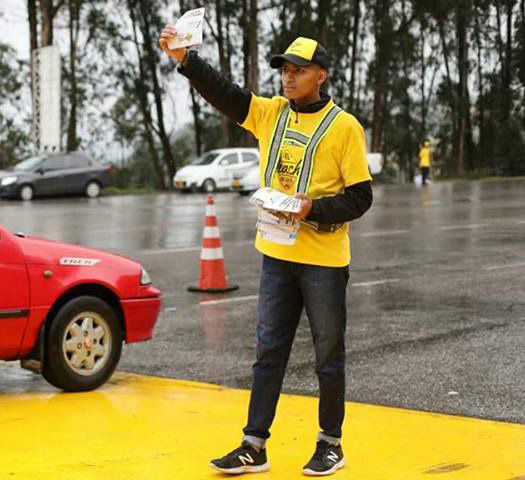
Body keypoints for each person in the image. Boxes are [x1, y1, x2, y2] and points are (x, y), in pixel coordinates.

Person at [160, 30, 373, 476]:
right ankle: (254, 444)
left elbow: (360, 198)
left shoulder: (344, 127)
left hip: (323, 262)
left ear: (322, 76)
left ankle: (330, 443)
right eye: (284, 70)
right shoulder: (271, 114)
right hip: (276, 254)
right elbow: (225, 94)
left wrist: (312, 208)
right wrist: (186, 60)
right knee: (268, 350)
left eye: (298, 71)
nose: (288, 78)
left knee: (327, 354)